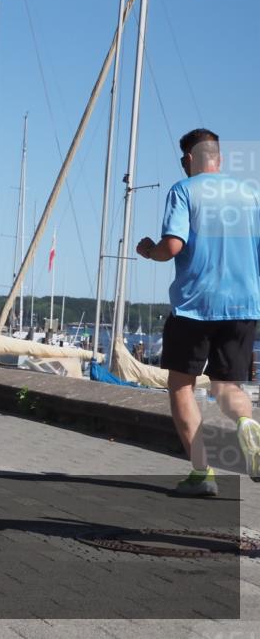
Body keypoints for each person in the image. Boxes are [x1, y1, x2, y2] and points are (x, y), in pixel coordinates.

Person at [136, 128, 260, 496]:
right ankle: (248, 425)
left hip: (195, 305)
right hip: (244, 305)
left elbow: (172, 246)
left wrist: (149, 250)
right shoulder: (251, 195)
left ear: (189, 159)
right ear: (218, 157)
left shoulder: (184, 190)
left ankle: (202, 474)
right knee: (227, 386)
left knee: (182, 386)